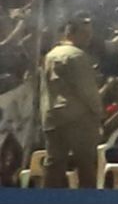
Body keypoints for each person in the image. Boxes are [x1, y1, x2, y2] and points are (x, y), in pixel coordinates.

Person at [37, 27, 107, 190]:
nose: (88, 39)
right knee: (85, 163)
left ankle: (47, 199)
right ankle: (86, 200)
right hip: (78, 117)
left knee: (54, 164)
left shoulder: (50, 55)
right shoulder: (77, 55)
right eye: (85, 34)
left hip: (53, 116)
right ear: (72, 34)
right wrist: (98, 112)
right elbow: (87, 90)